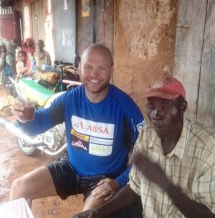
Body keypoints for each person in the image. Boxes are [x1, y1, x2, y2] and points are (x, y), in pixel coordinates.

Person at [10, 44, 145, 213]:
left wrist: (119, 181)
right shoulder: (70, 99)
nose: (94, 74)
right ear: (79, 68)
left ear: (111, 70)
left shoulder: (125, 106)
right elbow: (38, 125)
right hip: (71, 167)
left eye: (101, 68)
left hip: (104, 180)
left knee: (86, 215)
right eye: (88, 67)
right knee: (19, 188)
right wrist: (23, 119)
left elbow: (147, 151)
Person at [74, 76, 215, 218]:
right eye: (151, 106)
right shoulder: (147, 134)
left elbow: (211, 216)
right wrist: (96, 213)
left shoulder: (210, 148)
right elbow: (134, 188)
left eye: (165, 106)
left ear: (182, 107)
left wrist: (165, 184)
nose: (156, 113)